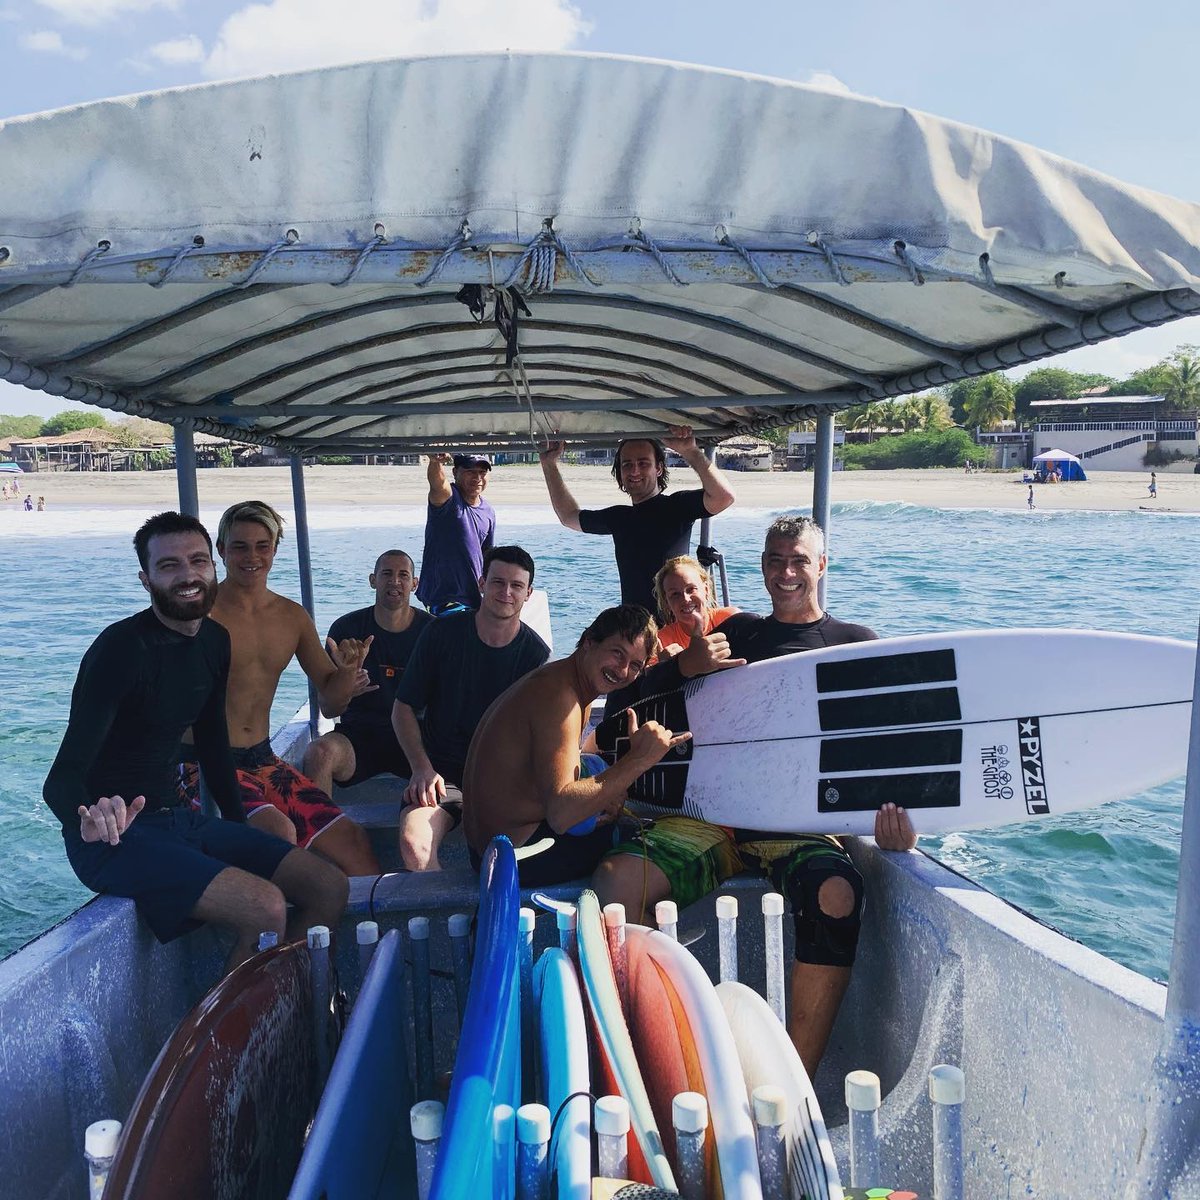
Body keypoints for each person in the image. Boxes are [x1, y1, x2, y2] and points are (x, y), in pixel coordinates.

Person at [593, 514, 916, 1074]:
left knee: (838, 894)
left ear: (820, 565)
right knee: (615, 888)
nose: (785, 572)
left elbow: (887, 748)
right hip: (713, 819)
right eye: (774, 560)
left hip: (795, 826)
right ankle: (664, 1061)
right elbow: (630, 707)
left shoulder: (856, 646)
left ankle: (794, 1083)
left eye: (798, 560)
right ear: (762, 566)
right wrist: (684, 668)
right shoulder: (737, 633)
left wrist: (901, 825)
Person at [42, 511, 347, 973]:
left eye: (197, 560)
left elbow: (212, 746)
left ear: (212, 566)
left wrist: (241, 829)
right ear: (146, 580)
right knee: (263, 906)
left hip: (176, 821)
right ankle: (241, 1042)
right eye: (169, 566)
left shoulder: (213, 641)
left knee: (327, 886)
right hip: (113, 835)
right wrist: (86, 815)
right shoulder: (120, 649)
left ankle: (288, 998)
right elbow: (60, 780)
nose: (187, 575)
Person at [190, 500, 381, 876]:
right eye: (240, 547)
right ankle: (274, 931)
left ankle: (355, 933)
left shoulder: (291, 616)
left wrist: (345, 672)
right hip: (203, 764)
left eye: (263, 546)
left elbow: (330, 704)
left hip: (263, 761)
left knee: (355, 842)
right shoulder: (199, 614)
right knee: (279, 832)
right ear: (221, 550)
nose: (252, 557)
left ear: (275, 550)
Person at [463, 604, 689, 883]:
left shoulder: (556, 680)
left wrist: (610, 790)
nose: (622, 671)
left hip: (484, 850)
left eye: (635, 665)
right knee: (643, 843)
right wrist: (638, 760)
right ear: (588, 642)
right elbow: (561, 814)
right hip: (513, 858)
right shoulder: (562, 699)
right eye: (617, 653)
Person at [393, 545, 550, 869]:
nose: (506, 592)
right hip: (442, 775)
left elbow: (543, 733)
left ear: (528, 593)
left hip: (504, 779)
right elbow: (403, 707)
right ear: (481, 583)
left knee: (507, 861)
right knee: (415, 846)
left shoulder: (536, 656)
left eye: (516, 585)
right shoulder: (441, 633)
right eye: (497, 582)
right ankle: (439, 919)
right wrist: (421, 767)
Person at [539, 425, 736, 614]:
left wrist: (691, 452)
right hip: (636, 630)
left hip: (677, 624)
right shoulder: (619, 517)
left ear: (658, 469)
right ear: (620, 473)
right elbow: (568, 516)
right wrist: (548, 464)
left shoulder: (677, 507)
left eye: (643, 463)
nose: (634, 471)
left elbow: (723, 497)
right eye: (627, 465)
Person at [301, 550, 432, 795]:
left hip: (417, 740)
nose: (395, 581)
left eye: (403, 575)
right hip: (360, 736)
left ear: (414, 584)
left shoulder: (433, 631)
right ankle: (320, 830)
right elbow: (329, 710)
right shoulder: (347, 628)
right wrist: (346, 686)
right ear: (373, 580)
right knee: (318, 754)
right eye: (386, 574)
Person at [415, 452, 496, 615]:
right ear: (455, 472)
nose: (477, 477)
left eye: (482, 472)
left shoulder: (489, 512)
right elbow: (437, 484)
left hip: (473, 598)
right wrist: (435, 462)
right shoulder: (448, 498)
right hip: (443, 598)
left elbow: (488, 555)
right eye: (470, 472)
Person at [652, 554, 739, 656]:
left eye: (691, 589)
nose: (685, 599)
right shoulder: (661, 642)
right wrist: (668, 666)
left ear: (706, 590)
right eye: (675, 594)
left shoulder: (731, 619)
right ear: (667, 602)